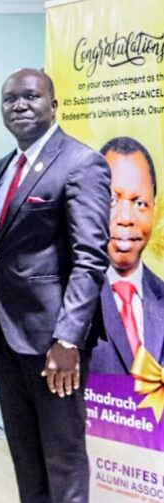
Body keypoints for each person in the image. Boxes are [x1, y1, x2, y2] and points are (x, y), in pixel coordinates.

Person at [0, 69, 110, 503]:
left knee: (62, 451)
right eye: (10, 98)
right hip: (7, 338)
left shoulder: (81, 163)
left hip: (55, 343)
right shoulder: (3, 167)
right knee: (25, 448)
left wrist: (69, 340)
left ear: (54, 104)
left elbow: (89, 259)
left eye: (31, 96)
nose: (20, 105)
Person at [91, 137, 163, 374]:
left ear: (154, 208)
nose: (125, 218)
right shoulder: (67, 297)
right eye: (112, 200)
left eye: (140, 203)